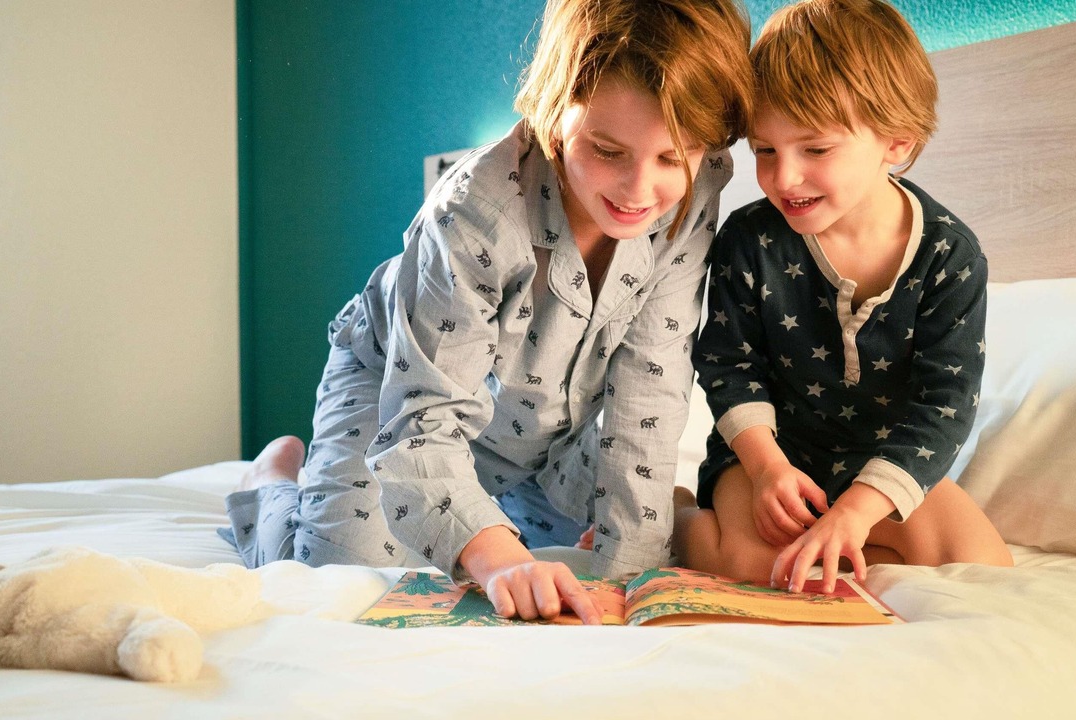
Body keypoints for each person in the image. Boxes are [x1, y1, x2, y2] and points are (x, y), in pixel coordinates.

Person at [222, 0, 754, 624]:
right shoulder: (476, 212)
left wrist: (632, 582)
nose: (641, 190)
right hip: (403, 391)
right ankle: (270, 489)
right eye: (608, 150)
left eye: (674, 156)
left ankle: (511, 506)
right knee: (344, 579)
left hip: (554, 426)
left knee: (636, 525)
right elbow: (421, 420)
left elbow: (653, 381)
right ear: (555, 114)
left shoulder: (702, 184)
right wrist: (497, 557)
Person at [673, 0, 1013, 595]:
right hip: (768, 457)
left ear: (895, 142)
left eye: (816, 150)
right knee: (763, 573)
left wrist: (855, 515)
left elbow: (944, 406)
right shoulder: (750, 240)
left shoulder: (950, 258)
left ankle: (848, 533)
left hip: (881, 467)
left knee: (982, 568)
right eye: (765, 150)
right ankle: (679, 517)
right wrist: (766, 468)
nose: (784, 178)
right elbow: (729, 365)